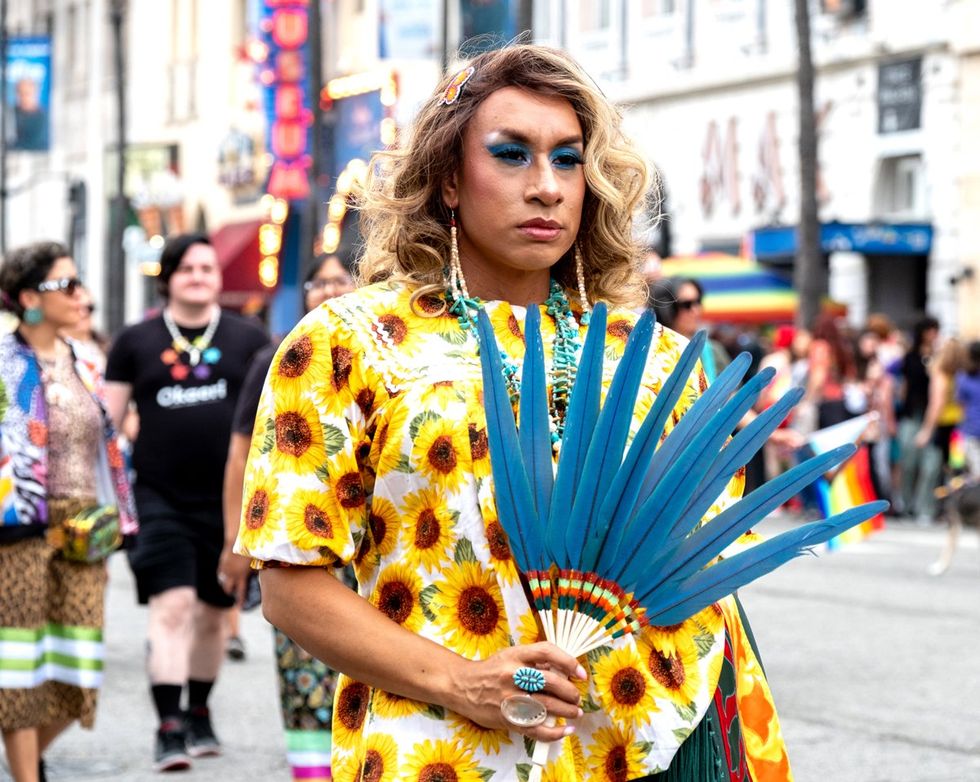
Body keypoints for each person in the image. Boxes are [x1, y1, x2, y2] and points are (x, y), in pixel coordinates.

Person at [236, 45, 790, 780]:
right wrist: (464, 682)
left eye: (568, 160)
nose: (547, 187)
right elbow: (289, 584)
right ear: (448, 178)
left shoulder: (653, 358)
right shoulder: (349, 343)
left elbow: (699, 581)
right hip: (442, 753)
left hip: (649, 751)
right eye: (511, 154)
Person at [103, 234, 268, 772]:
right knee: (172, 607)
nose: (199, 277)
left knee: (214, 617)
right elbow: (107, 426)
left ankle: (198, 710)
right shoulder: (135, 341)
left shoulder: (250, 340)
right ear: (168, 278)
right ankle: (169, 726)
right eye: (188, 269)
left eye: (207, 268)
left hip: (227, 505)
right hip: (159, 498)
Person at [0, 241, 137, 782]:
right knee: (18, 670)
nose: (81, 294)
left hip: (82, 532)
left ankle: (25, 760)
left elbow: (110, 446)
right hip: (17, 534)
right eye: (68, 284)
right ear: (30, 298)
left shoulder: (87, 361)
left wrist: (118, 515)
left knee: (79, 670)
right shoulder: (3, 363)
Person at [220, 253, 354, 782]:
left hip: (367, 545)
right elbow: (241, 454)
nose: (329, 290)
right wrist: (236, 540)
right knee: (304, 677)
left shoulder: (386, 353)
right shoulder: (279, 357)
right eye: (318, 283)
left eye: (339, 280)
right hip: (295, 542)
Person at [895, 316, 941, 519]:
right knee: (908, 460)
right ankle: (905, 503)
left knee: (929, 464)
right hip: (911, 412)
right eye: (930, 330)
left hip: (930, 413)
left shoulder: (939, 357)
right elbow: (904, 385)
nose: (933, 334)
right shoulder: (911, 357)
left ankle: (924, 507)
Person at [956, 341, 980, 477]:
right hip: (971, 431)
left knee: (971, 474)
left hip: (969, 431)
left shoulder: (962, 377)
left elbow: (961, 406)